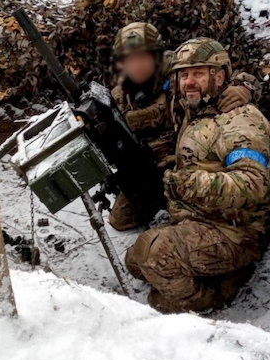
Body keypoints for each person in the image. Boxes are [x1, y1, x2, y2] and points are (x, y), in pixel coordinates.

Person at [124, 37, 270, 313]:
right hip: (199, 217)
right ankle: (215, 274)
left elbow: (253, 184)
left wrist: (185, 184)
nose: (188, 81)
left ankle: (210, 299)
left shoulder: (239, 119)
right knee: (134, 262)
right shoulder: (196, 107)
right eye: (183, 75)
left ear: (218, 76)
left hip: (235, 231)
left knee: (153, 255)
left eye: (198, 74)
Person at [107, 23, 252, 231]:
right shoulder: (119, 96)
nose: (136, 65)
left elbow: (219, 75)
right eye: (129, 59)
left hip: (188, 162)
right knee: (120, 221)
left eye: (143, 57)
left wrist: (243, 87)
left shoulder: (179, 76)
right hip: (147, 169)